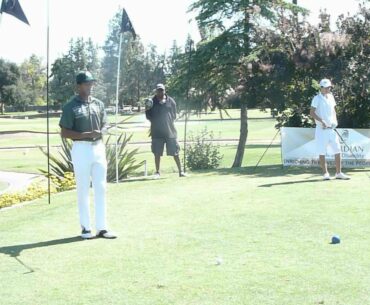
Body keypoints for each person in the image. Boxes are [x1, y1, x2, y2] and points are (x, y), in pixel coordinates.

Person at [59, 71, 116, 239]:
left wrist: (103, 130)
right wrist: (86, 134)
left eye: (91, 83)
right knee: (83, 189)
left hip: (98, 148)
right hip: (81, 149)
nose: (90, 86)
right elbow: (64, 132)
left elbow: (106, 124)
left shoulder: (99, 104)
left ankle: (102, 227)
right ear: (78, 86)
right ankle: (85, 228)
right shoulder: (71, 106)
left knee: (101, 187)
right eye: (86, 83)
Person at [310, 78, 350, 180]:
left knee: (338, 150)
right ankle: (325, 173)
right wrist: (321, 121)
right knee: (322, 152)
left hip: (331, 129)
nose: (329, 89)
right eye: (327, 87)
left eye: (329, 87)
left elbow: (333, 111)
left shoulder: (331, 97)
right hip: (321, 129)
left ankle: (338, 173)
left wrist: (335, 122)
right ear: (321, 88)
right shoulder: (317, 98)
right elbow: (312, 113)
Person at [145, 84, 186, 178]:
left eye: (162, 90)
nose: (160, 92)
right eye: (158, 90)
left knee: (175, 152)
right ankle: (157, 172)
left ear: (164, 90)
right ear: (156, 91)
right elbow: (148, 116)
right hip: (157, 132)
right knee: (157, 153)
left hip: (170, 131)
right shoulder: (151, 102)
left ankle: (181, 172)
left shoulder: (171, 101)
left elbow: (174, 116)